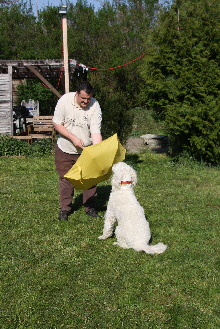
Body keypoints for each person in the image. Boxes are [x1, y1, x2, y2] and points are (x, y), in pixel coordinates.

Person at [53, 81, 102, 221]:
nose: (86, 101)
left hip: (86, 150)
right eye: (83, 99)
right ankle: (65, 209)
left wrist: (97, 151)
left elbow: (95, 131)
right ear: (76, 94)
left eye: (88, 98)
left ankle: (90, 208)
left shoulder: (95, 105)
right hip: (65, 148)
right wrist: (73, 138)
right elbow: (57, 123)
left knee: (91, 179)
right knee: (66, 179)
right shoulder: (64, 101)